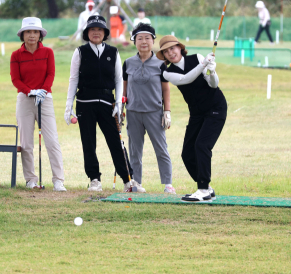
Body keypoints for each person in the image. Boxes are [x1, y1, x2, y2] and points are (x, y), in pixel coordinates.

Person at [65, 15, 134, 192]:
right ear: (87, 33)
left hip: (107, 103)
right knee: (88, 142)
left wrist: (118, 103)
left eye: (99, 30)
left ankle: (127, 179)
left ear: (105, 33)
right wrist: (68, 106)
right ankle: (94, 179)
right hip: (85, 102)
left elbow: (119, 80)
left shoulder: (113, 52)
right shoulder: (80, 52)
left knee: (116, 142)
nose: (96, 33)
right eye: (92, 30)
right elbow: (73, 79)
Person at [157, 35, 224, 203]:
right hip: (196, 113)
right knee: (187, 153)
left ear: (180, 48)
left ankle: (202, 188)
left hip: (215, 108)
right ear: (164, 56)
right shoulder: (167, 72)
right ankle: (206, 188)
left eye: (172, 48)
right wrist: (203, 65)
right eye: (166, 51)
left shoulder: (197, 58)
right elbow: (185, 79)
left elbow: (214, 84)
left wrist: (212, 70)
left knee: (202, 145)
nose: (170, 53)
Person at [10, 17, 66, 191]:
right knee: (26, 142)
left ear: (40, 34)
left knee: (52, 141)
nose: (32, 35)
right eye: (28, 32)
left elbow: (51, 74)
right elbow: (15, 79)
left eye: (35, 32)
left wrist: (43, 90)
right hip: (24, 100)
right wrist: (30, 91)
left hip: (45, 99)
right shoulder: (16, 55)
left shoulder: (48, 52)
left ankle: (58, 180)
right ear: (23, 35)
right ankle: (30, 179)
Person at [122, 24, 174, 194]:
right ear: (134, 41)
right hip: (133, 112)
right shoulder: (128, 63)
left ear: (153, 40)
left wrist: (167, 111)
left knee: (161, 149)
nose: (143, 42)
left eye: (147, 38)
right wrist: (120, 107)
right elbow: (124, 87)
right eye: (139, 38)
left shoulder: (160, 64)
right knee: (135, 150)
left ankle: (168, 184)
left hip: (154, 112)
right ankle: (136, 182)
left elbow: (165, 89)